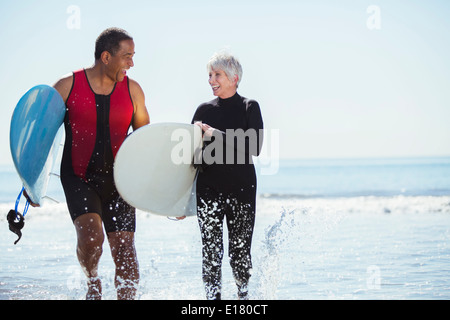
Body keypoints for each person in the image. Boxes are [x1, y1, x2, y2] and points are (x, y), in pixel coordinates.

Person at [53, 28, 150, 300]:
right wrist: (30, 184)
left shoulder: (133, 91)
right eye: (127, 56)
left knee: (126, 252)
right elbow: (40, 135)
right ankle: (93, 281)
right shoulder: (67, 86)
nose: (132, 63)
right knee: (92, 240)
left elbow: (145, 141)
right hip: (79, 176)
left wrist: (165, 192)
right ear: (106, 57)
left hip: (120, 179)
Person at [191, 52, 264, 300]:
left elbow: (254, 145)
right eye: (209, 75)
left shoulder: (249, 107)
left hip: (241, 189)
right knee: (211, 252)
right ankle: (213, 302)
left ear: (234, 78)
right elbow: (190, 158)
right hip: (208, 189)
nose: (212, 80)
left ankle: (243, 298)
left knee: (240, 251)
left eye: (217, 75)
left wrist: (215, 134)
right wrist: (180, 199)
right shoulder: (203, 110)